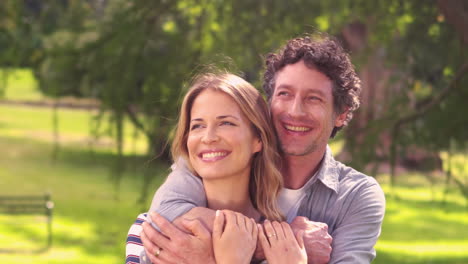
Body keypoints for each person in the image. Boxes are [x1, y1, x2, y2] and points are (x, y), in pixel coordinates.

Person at [131, 34, 386, 264]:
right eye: (285, 94)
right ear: (268, 103)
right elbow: (162, 218)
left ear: (341, 114)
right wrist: (277, 244)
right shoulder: (223, 160)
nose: (295, 111)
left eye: (313, 99)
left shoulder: (357, 196)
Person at [126, 72, 309, 264]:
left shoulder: (291, 247)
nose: (209, 137)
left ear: (258, 140)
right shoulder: (152, 234)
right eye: (197, 126)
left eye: (226, 123)